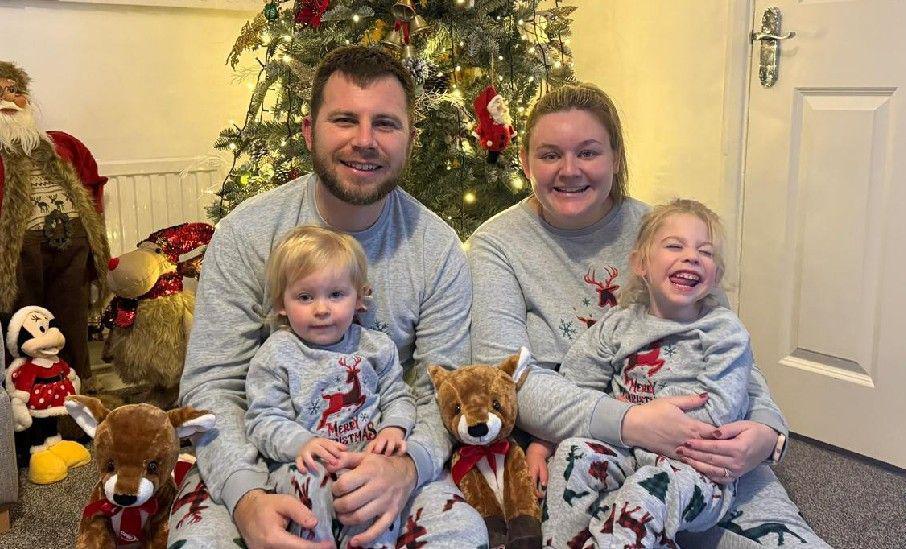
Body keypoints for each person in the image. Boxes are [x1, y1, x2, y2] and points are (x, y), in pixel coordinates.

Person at [468, 83, 830, 548]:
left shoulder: (663, 231)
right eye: (550, 154)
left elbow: (723, 345)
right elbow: (506, 376)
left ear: (616, 159)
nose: (569, 170)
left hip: (696, 443)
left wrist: (768, 431)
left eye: (589, 152)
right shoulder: (498, 243)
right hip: (576, 439)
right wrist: (630, 424)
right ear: (525, 161)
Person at [169, 46, 487, 549]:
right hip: (263, 459)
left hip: (385, 454)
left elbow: (442, 387)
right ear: (308, 131)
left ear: (410, 140)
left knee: (464, 534)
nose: (365, 141)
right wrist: (246, 496)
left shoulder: (438, 247)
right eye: (344, 120)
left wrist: (407, 468)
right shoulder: (246, 234)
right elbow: (213, 385)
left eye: (385, 123)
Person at [534, 199, 755, 546]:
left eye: (706, 252)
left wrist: (649, 424)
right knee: (573, 456)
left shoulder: (725, 332)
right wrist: (543, 443)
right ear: (641, 264)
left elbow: (720, 413)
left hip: (692, 469)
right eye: (674, 246)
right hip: (623, 448)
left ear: (717, 276)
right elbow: (575, 384)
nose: (692, 256)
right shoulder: (619, 324)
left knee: (643, 496)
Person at [244, 225, 415, 547]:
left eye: (336, 295)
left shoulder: (376, 347)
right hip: (304, 464)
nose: (321, 309)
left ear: (359, 299)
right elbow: (262, 419)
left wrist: (395, 427)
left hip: (365, 459)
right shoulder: (276, 354)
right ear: (282, 303)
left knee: (374, 503)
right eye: (305, 297)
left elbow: (398, 394)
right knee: (308, 485)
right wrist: (302, 443)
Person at [0, 60, 110, 393]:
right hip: (21, 250)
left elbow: (92, 184)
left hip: (73, 243)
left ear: (27, 100)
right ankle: (29, 396)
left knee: (72, 320)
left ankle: (79, 392)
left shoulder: (63, 144)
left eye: (13, 90)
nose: (7, 99)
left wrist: (95, 240)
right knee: (25, 323)